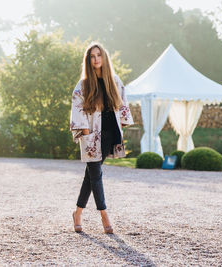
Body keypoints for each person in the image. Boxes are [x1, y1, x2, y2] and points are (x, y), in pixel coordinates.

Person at [70, 43, 134, 234]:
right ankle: (104, 215)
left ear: (104, 57)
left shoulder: (113, 80)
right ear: (88, 60)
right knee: (96, 174)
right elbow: (77, 107)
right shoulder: (83, 84)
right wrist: (85, 131)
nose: (96, 59)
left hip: (109, 134)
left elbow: (123, 102)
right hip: (91, 135)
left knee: (91, 176)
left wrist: (122, 125)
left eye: (99, 55)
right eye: (92, 56)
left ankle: (77, 213)